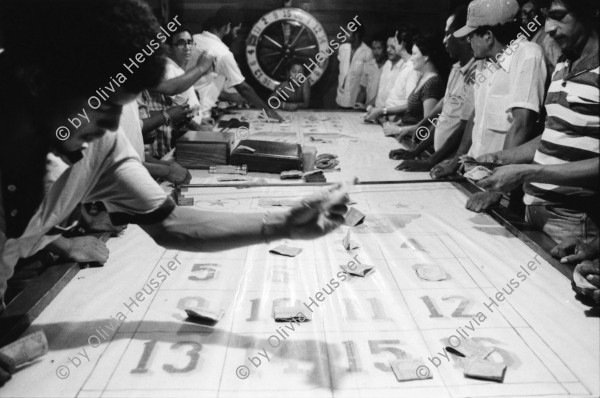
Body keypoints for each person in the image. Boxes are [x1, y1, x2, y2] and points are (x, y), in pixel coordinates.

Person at [0, 0, 348, 327]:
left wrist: (282, 225)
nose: (112, 126)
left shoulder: (101, 145)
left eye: (124, 108)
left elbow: (172, 224)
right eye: (105, 107)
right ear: (37, 81)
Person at [468, 0, 599, 244]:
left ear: (591, 12)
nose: (548, 27)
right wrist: (502, 158)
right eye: (547, 17)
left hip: (573, 218)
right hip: (535, 209)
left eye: (559, 16)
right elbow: (552, 134)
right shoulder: (563, 63)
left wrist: (528, 172)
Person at [431, 0, 547, 214]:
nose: (467, 40)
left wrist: (497, 190)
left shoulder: (528, 55)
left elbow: (522, 124)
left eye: (471, 35)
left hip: (504, 190)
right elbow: (476, 117)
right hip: (476, 179)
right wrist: (456, 162)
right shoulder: (484, 62)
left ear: (488, 36)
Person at [390, 6, 477, 173]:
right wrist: (415, 152)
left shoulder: (477, 72)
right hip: (439, 158)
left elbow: (464, 128)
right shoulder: (456, 69)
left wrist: (430, 161)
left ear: (463, 36)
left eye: (448, 34)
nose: (444, 40)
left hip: (454, 164)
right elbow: (442, 118)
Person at [188, 7, 284, 122]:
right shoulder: (222, 52)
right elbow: (243, 88)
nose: (235, 36)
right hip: (201, 115)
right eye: (236, 31)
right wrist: (268, 111)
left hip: (183, 113)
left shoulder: (192, 39)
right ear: (227, 27)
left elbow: (200, 84)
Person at [383, 34, 448, 146]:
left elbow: (428, 125)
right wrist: (397, 124)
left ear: (426, 57)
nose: (411, 58)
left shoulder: (433, 83)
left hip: (415, 143)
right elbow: (413, 114)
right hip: (405, 136)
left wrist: (400, 130)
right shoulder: (423, 77)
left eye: (414, 54)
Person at [365, 29, 420, 122]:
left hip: (396, 121)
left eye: (394, 40)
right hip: (385, 117)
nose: (389, 48)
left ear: (402, 43)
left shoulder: (411, 67)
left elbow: (410, 105)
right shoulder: (397, 65)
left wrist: (383, 112)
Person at [520, 0, 561, 76]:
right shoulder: (524, 40)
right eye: (523, 13)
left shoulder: (548, 39)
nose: (526, 16)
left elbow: (563, 70)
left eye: (532, 12)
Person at [336, 25, 373, 108]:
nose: (345, 34)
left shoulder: (367, 52)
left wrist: (358, 103)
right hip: (340, 98)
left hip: (355, 100)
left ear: (356, 34)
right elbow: (342, 73)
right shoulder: (342, 48)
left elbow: (366, 82)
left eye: (348, 32)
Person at [356, 34, 387, 108]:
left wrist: (366, 106)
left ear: (385, 49)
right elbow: (363, 91)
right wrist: (356, 106)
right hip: (368, 108)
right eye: (373, 48)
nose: (376, 52)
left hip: (382, 109)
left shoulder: (389, 67)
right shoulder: (368, 65)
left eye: (379, 48)